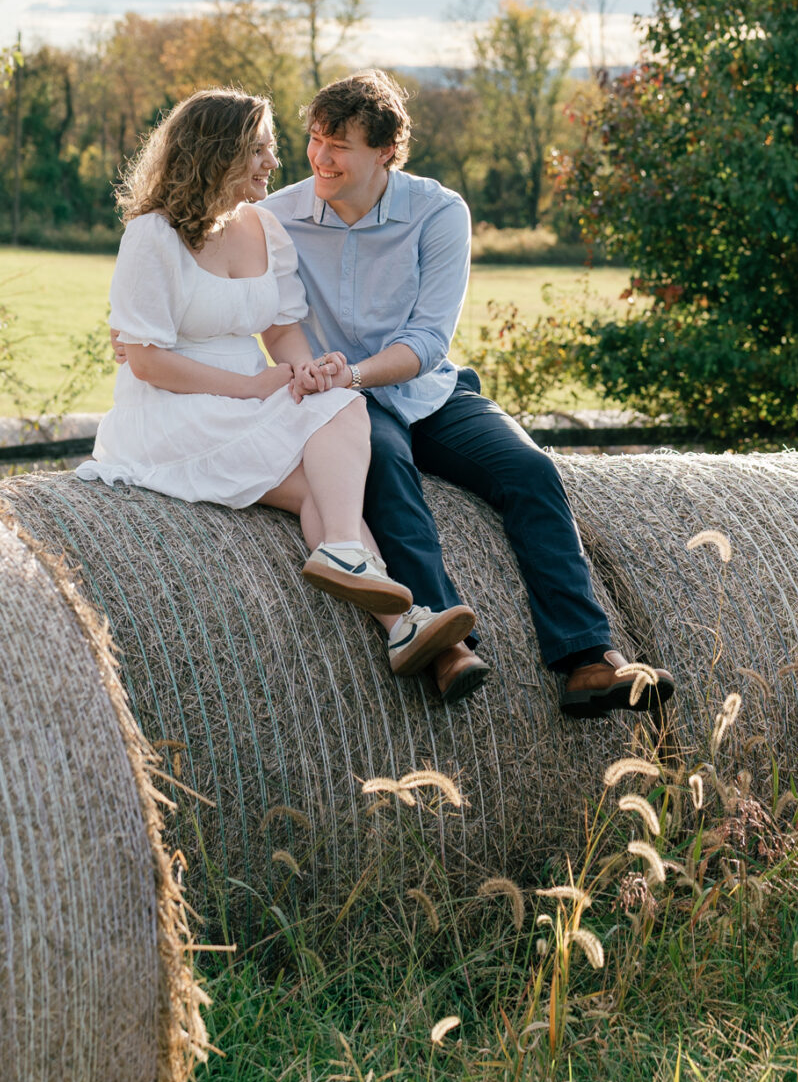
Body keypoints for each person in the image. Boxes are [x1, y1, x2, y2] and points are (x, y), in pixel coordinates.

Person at [259, 69, 674, 720]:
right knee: (387, 471)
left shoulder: (438, 211)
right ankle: (446, 645)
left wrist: (357, 373)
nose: (321, 157)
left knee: (531, 471)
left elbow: (428, 338)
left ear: (386, 151)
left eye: (339, 145)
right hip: (341, 403)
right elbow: (265, 312)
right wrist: (329, 383)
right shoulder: (274, 218)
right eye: (315, 139)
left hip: (424, 389)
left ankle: (587, 658)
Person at [77, 87, 479, 678]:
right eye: (261, 150)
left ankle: (369, 586)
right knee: (323, 482)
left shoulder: (266, 228)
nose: (275, 162)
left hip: (252, 390)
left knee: (340, 415)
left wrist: (306, 370)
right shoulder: (153, 235)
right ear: (221, 154)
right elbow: (147, 362)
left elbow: (283, 330)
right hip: (174, 405)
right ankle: (395, 614)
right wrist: (251, 387)